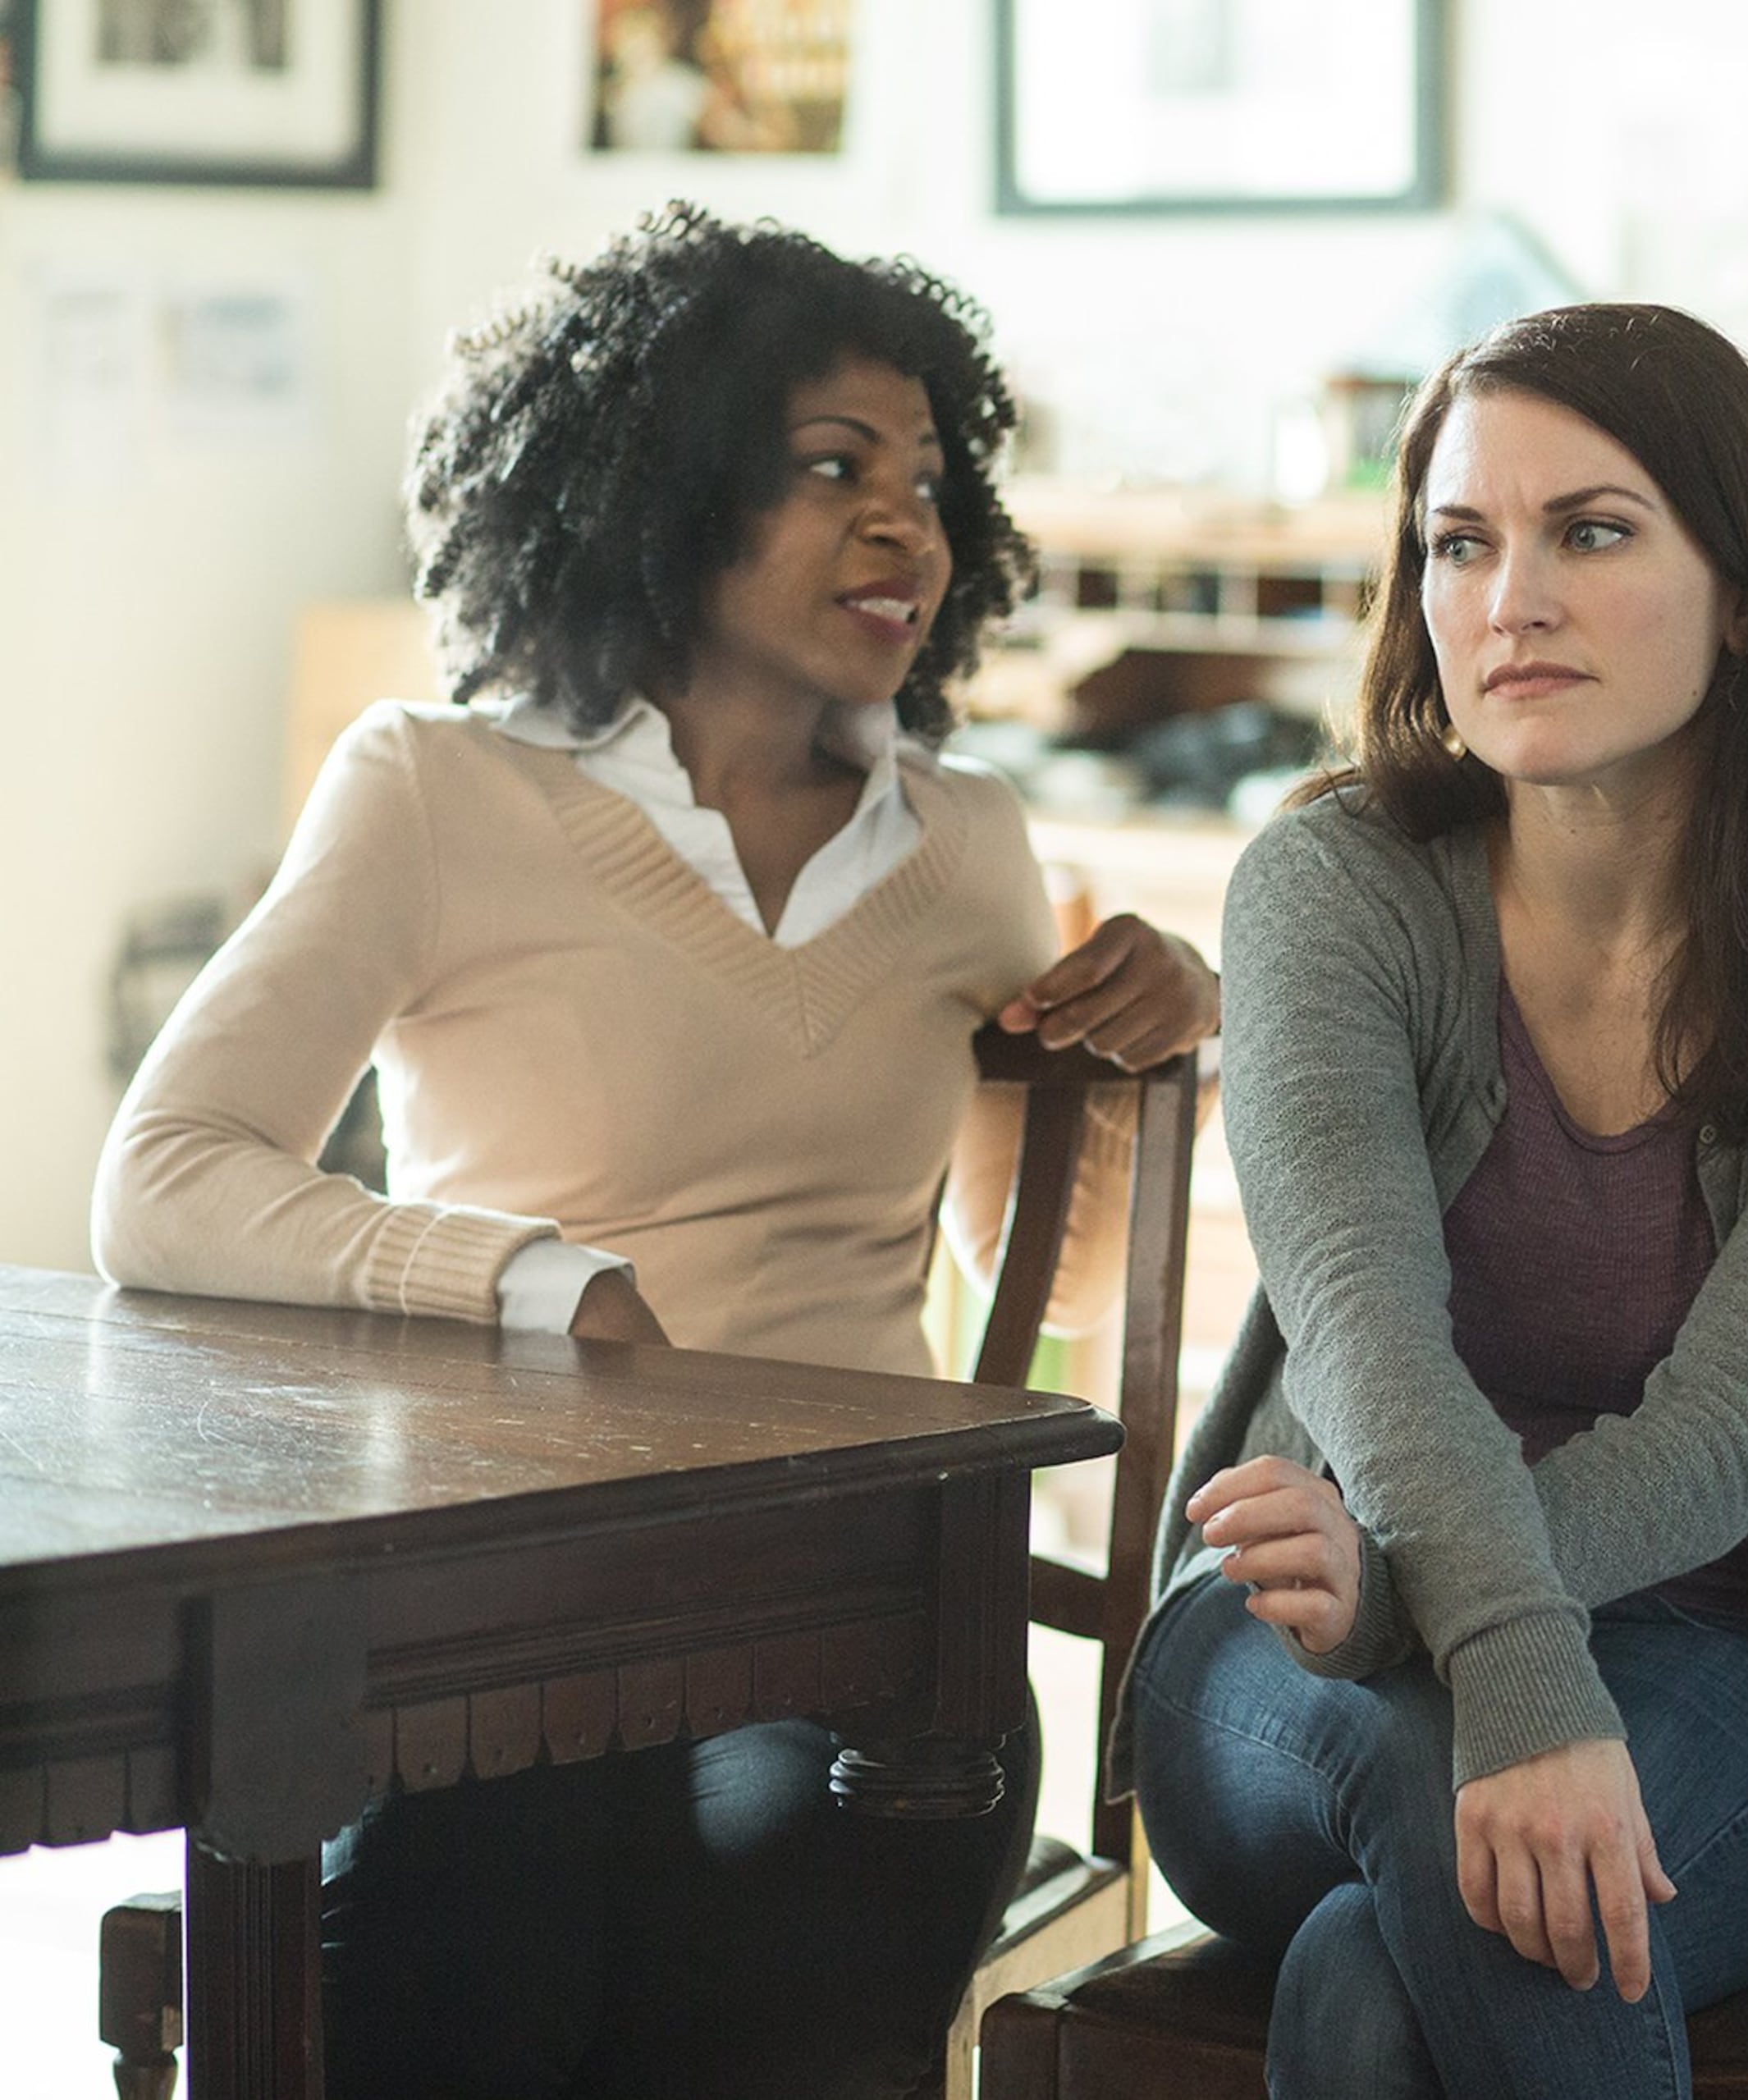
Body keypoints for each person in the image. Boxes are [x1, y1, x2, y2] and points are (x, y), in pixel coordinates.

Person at [92, 204, 1219, 2100]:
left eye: (931, 481)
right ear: (660, 487)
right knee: (471, 1923)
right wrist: (533, 1279)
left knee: (796, 1923)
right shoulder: (436, 788)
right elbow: (170, 1171)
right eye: (832, 469)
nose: (906, 528)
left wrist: (1123, 1046)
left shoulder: (970, 840)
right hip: (493, 1588)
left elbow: (1050, 1291)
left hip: (860, 1602)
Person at [1123, 301, 1748, 2097]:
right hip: (1292, 1656)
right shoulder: (1334, 887)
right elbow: (1368, 1334)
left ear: (1744, 589)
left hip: (1714, 1665)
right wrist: (1471, 1643)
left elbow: (1730, 1430)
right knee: (1438, 1782)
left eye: (1590, 531)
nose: (1509, 595)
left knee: (1387, 1987)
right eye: (1463, 543)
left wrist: (1417, 1585)